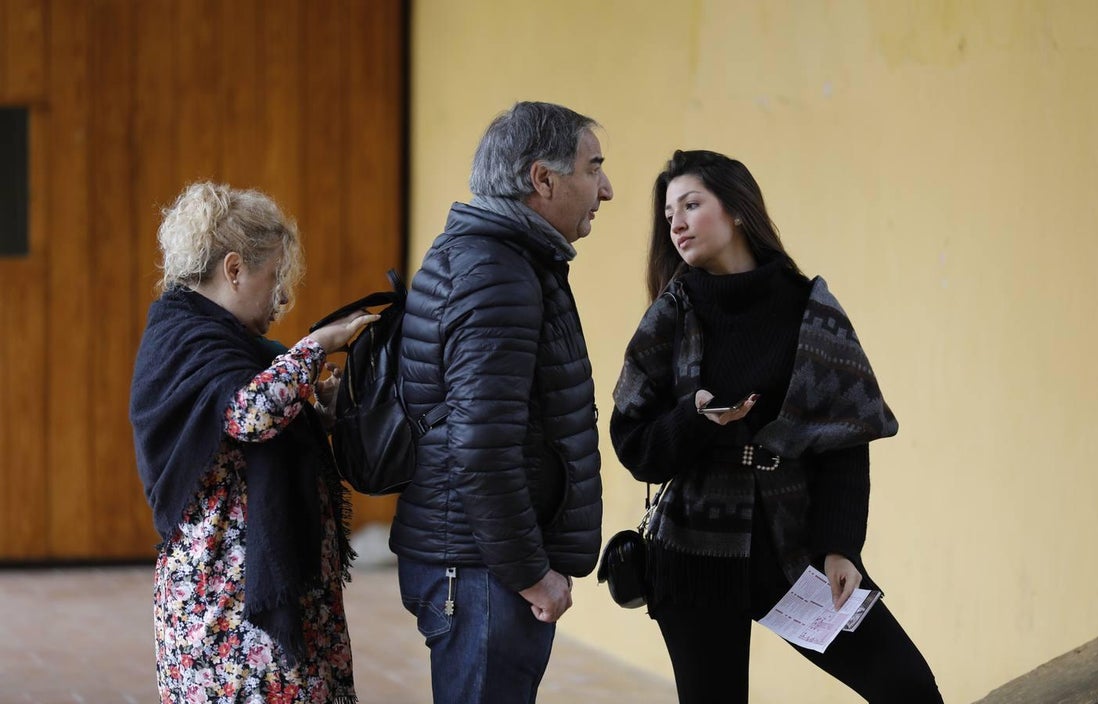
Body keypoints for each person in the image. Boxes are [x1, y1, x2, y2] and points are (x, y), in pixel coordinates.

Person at [610, 150, 943, 703]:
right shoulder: (671, 314)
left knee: (906, 686)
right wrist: (695, 418)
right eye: (669, 213)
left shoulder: (809, 308)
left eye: (692, 204)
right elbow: (635, 445)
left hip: (794, 547)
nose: (677, 223)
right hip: (693, 555)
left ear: (737, 210)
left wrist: (841, 548)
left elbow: (844, 440)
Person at [390, 101, 613, 703]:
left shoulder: (500, 259)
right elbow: (482, 446)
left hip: (477, 560)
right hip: (483, 569)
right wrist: (529, 574)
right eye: (593, 169)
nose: (607, 190)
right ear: (543, 179)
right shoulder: (495, 270)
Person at [129, 182, 376, 703]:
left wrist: (319, 417)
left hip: (264, 590)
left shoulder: (231, 343)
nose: (283, 296)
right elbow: (248, 414)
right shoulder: (185, 337)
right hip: (228, 605)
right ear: (235, 269)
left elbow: (250, 432)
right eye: (275, 276)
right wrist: (315, 347)